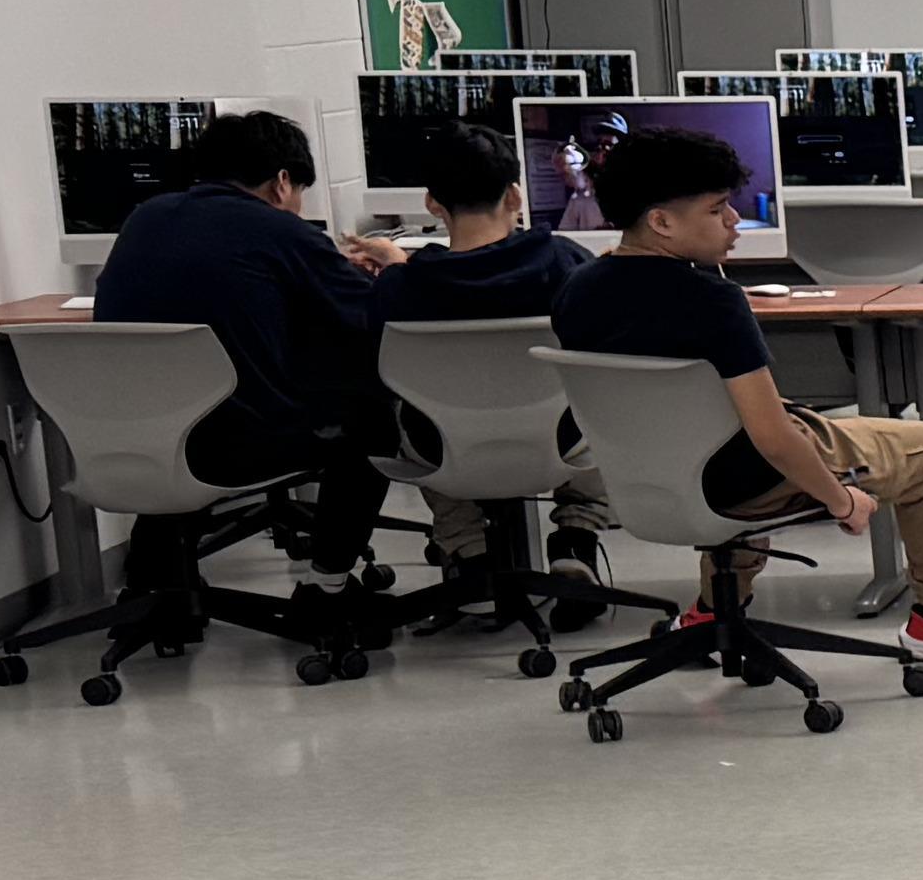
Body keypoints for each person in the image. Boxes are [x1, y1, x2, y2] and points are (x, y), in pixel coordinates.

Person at [551, 124, 923, 659]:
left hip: (646, 477)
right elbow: (775, 441)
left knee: (729, 437)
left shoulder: (576, 289)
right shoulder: (713, 303)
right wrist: (843, 501)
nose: (735, 220)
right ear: (662, 222)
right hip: (742, 478)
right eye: (718, 210)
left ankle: (712, 614)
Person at [84, 108, 399, 560]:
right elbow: (374, 312)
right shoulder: (283, 230)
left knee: (182, 401)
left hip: (135, 439)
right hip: (237, 448)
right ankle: (329, 583)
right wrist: (393, 269)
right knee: (374, 417)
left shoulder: (144, 218)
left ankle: (153, 576)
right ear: (283, 182)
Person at [371, 119, 609, 578]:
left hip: (441, 451)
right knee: (601, 393)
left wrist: (397, 264)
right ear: (516, 195)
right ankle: (576, 538)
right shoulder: (567, 262)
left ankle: (467, 549)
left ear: (432, 203)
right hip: (560, 446)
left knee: (410, 407)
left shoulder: (401, 286)